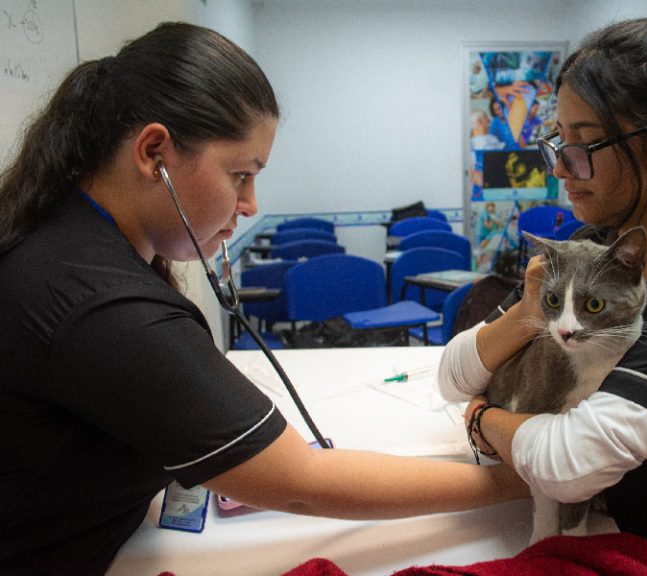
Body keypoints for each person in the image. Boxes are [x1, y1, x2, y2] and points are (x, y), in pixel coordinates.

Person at [0, 23, 530, 576]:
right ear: (154, 152)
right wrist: (517, 480)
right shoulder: (101, 303)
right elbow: (302, 483)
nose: (251, 204)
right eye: (240, 175)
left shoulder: (65, 241)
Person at [438, 1, 647, 575]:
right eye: (557, 141)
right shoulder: (590, 246)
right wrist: (525, 312)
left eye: (584, 145)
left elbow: (568, 463)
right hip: (589, 541)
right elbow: (452, 374)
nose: (560, 169)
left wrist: (480, 419)